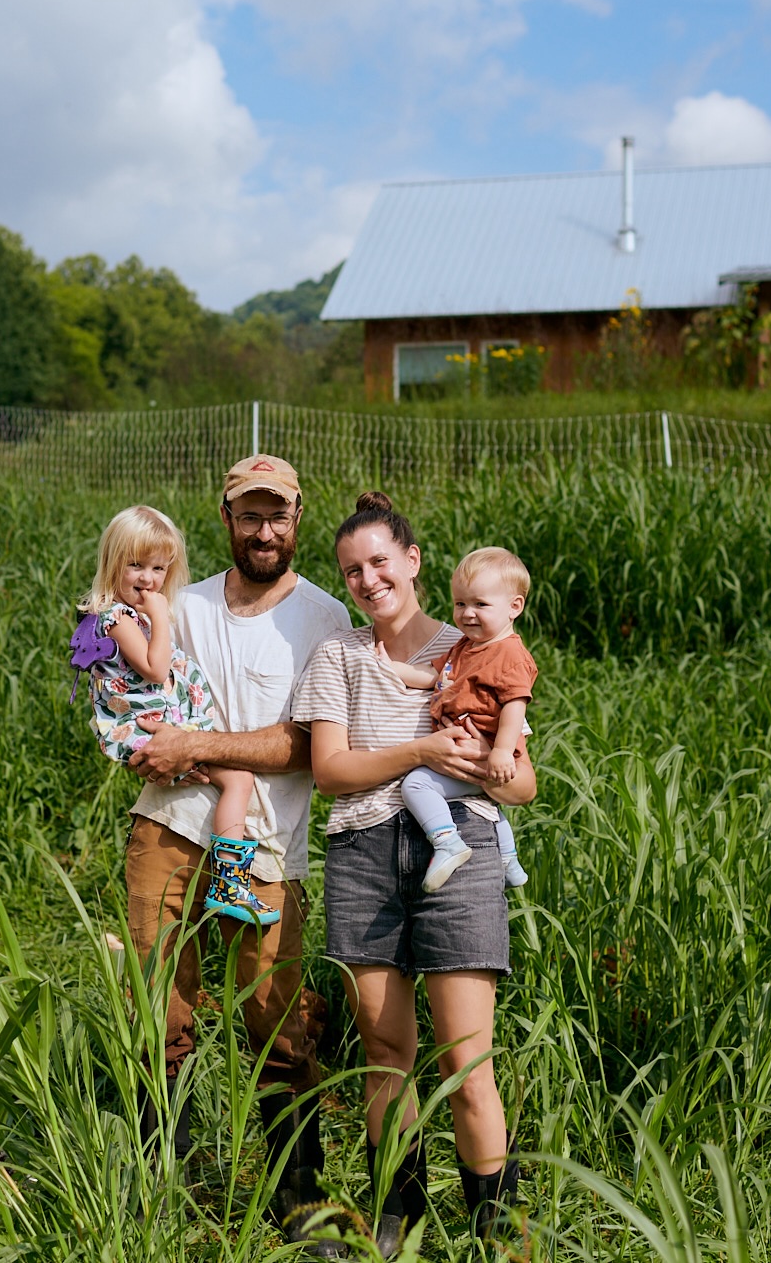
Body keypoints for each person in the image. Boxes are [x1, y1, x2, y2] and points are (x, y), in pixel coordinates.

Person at [118, 455, 354, 1251]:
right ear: (225, 517)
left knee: (275, 1019)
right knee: (158, 1007)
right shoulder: (177, 603)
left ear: (298, 517)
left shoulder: (322, 620)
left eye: (276, 515)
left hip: (267, 849)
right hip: (165, 828)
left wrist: (195, 742)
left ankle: (300, 1200)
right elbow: (131, 688)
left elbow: (306, 744)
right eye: (249, 514)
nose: (263, 530)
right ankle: (164, 1181)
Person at [291, 492, 536, 1249]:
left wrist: (490, 765)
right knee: (386, 1050)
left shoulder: (474, 644)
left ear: (413, 560)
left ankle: (495, 1223)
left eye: (378, 562)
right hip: (363, 853)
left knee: (468, 1057)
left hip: (457, 845)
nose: (367, 580)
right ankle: (401, 1204)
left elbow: (523, 783)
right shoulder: (339, 655)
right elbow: (331, 771)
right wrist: (424, 753)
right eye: (351, 571)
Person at [76, 504, 273, 925]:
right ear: (112, 563)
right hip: (148, 730)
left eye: (159, 569)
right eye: (135, 566)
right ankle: (231, 882)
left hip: (162, 727)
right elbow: (155, 668)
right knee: (239, 779)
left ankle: (228, 880)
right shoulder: (117, 617)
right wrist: (162, 617)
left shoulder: (134, 615)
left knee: (235, 780)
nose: (148, 579)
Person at [375, 545, 535, 892]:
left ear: (514, 607)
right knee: (485, 800)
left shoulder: (509, 653)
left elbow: (514, 706)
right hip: (476, 756)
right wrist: (390, 669)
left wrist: (502, 752)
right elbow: (432, 676)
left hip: (490, 754)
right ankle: (507, 859)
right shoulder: (466, 647)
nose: (467, 613)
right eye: (460, 603)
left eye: (480, 604)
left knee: (416, 784)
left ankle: (447, 841)